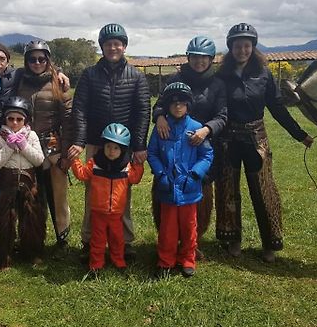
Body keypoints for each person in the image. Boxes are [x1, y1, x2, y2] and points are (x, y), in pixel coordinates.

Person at [215, 23, 314, 263]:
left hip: (255, 139)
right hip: (228, 140)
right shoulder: (222, 76)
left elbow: (277, 108)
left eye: (247, 45)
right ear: (231, 48)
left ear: (253, 47)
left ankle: (269, 242)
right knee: (228, 190)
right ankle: (233, 238)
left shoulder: (264, 74)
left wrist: (299, 134)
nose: (242, 50)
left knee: (263, 191)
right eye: (238, 46)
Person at [67, 23, 151, 261]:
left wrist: (140, 144)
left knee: (122, 193)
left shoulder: (136, 76)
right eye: (108, 44)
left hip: (123, 145)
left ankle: (123, 241)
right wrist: (80, 141)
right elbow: (80, 109)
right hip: (96, 141)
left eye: (117, 43)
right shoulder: (89, 75)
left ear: (124, 46)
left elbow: (143, 111)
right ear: (102, 47)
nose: (113, 48)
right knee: (93, 191)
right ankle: (89, 239)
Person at [152, 36, 227, 257]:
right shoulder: (174, 78)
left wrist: (206, 130)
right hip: (171, 146)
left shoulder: (218, 84)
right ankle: (168, 241)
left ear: (211, 59)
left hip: (202, 147)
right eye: (195, 57)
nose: (199, 62)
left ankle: (193, 243)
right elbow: (158, 104)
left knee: (200, 194)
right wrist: (159, 117)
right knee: (165, 190)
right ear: (188, 57)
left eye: (204, 58)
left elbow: (223, 115)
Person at [13, 40, 73, 257]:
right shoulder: (19, 79)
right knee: (29, 194)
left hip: (52, 146)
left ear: (48, 60)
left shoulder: (59, 83)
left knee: (57, 195)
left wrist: (66, 153)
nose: (37, 63)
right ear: (26, 61)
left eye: (42, 58)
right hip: (25, 144)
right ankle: (30, 239)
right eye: (32, 59)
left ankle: (62, 240)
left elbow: (68, 119)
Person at [148, 82, 214, 278]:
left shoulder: (196, 128)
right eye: (174, 103)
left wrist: (195, 174)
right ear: (167, 105)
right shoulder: (161, 128)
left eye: (182, 103)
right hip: (168, 190)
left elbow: (207, 155)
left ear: (188, 105)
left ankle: (187, 258)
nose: (178, 107)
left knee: (189, 227)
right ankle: (165, 260)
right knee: (167, 229)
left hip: (189, 190)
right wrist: (160, 174)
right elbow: (152, 153)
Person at [71, 123, 144, 274]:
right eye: (108, 147)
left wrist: (139, 164)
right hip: (98, 212)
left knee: (117, 240)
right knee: (97, 241)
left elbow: (135, 178)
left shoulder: (126, 166)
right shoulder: (95, 163)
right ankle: (96, 264)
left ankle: (119, 261)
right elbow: (82, 174)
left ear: (122, 150)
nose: (111, 151)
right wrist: (75, 160)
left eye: (116, 148)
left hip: (117, 213)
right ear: (103, 147)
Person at [0, 96, 45, 269]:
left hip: (28, 183)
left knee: (32, 219)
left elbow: (39, 160)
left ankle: (32, 252)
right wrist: (8, 147)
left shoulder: (31, 136)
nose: (14, 123)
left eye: (19, 119)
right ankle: (1, 256)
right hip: (7, 184)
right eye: (11, 119)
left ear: (25, 120)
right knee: (4, 221)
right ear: (5, 119)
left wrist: (24, 145)